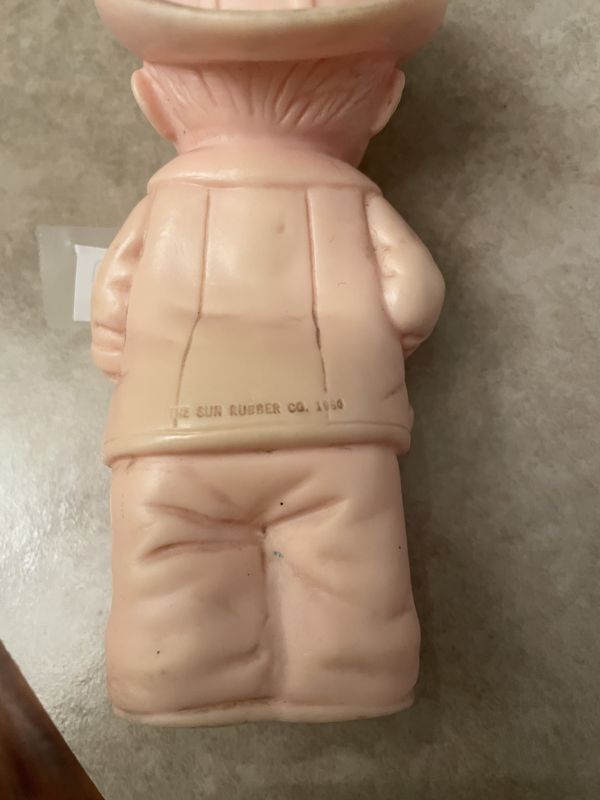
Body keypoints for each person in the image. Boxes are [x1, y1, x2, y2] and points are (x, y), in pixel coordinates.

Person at [92, 0, 446, 725]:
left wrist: (123, 357)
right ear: (385, 102)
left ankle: (176, 678)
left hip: (173, 430)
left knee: (170, 561)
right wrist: (377, 353)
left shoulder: (162, 207)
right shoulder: (357, 204)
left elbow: (113, 302)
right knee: (349, 566)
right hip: (337, 425)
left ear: (152, 99)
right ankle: (351, 676)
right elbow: (414, 295)